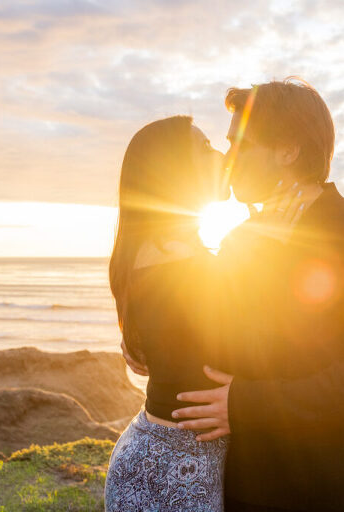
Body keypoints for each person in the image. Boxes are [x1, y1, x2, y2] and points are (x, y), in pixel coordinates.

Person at [126, 79, 344, 511]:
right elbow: (210, 332)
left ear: (287, 150)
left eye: (240, 144)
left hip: (323, 484)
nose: (228, 158)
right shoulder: (244, 240)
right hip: (244, 480)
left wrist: (247, 404)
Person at [104, 115, 232, 511]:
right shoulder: (180, 265)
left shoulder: (167, 255)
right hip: (170, 472)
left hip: (165, 458)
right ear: (174, 172)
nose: (223, 155)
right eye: (206, 149)